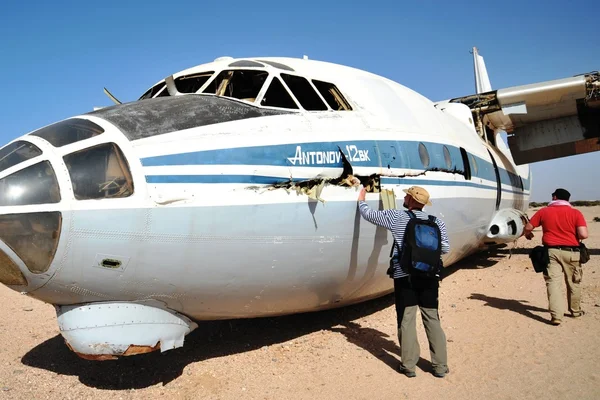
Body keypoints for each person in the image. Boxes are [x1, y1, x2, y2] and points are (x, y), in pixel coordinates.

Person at [357, 185, 450, 378]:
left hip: (404, 275)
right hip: (430, 277)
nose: (404, 198)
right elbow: (445, 249)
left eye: (407, 196)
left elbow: (369, 215)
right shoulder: (437, 223)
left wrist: (361, 198)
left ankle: (409, 366)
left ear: (412, 200)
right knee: (432, 318)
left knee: (407, 319)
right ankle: (440, 367)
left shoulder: (397, 217)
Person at [523, 188, 589, 325]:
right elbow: (583, 235)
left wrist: (527, 234)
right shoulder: (576, 213)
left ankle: (556, 316)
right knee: (573, 282)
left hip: (551, 252)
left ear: (554, 197)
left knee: (553, 284)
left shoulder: (543, 211)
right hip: (572, 253)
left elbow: (529, 227)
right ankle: (575, 311)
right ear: (568, 199)